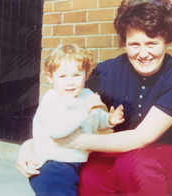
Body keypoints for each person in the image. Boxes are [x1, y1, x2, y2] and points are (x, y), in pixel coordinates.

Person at [16, 0, 172, 195]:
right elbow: (59, 107)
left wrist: (77, 141)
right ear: (124, 43)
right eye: (134, 44)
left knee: (133, 166)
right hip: (123, 151)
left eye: (152, 43)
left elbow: (141, 137)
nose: (143, 53)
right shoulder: (106, 72)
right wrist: (30, 146)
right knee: (87, 176)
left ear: (168, 41)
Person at [27, 44, 124, 195]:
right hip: (53, 166)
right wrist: (85, 108)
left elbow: (94, 120)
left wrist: (109, 120)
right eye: (62, 76)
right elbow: (57, 130)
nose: (70, 82)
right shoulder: (53, 100)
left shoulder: (87, 95)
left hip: (74, 163)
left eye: (76, 75)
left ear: (86, 75)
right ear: (50, 77)